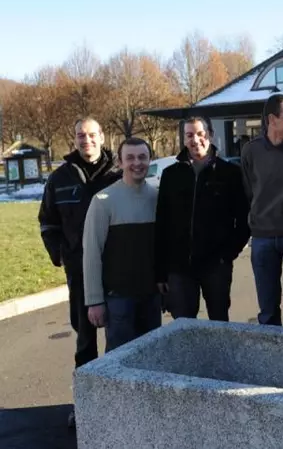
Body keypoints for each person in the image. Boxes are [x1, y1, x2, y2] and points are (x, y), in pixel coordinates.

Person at [38, 118, 120, 428]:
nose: (86, 140)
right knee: (85, 339)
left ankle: (116, 401)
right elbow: (48, 221)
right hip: (79, 270)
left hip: (117, 268)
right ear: (74, 139)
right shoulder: (59, 179)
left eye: (91, 134)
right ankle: (85, 403)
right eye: (80, 135)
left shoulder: (117, 175)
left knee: (119, 336)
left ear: (102, 137)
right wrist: (59, 254)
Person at [154, 117, 249, 322]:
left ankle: (220, 356)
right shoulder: (171, 175)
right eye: (189, 135)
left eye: (200, 134)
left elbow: (243, 219)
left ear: (211, 135)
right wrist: (161, 272)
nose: (195, 140)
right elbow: (162, 224)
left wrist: (228, 254)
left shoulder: (230, 173)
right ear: (184, 139)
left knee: (219, 323)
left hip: (216, 265)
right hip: (179, 267)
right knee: (183, 327)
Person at [83, 138, 161, 353]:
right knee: (120, 363)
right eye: (130, 158)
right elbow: (91, 254)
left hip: (150, 296)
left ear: (150, 160)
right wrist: (94, 300)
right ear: (120, 162)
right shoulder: (103, 201)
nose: (137, 163)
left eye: (142, 157)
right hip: (118, 300)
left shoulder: (158, 198)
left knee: (153, 358)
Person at [241, 94, 283, 325]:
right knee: (268, 309)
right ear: (272, 119)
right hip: (262, 238)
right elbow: (249, 191)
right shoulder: (250, 151)